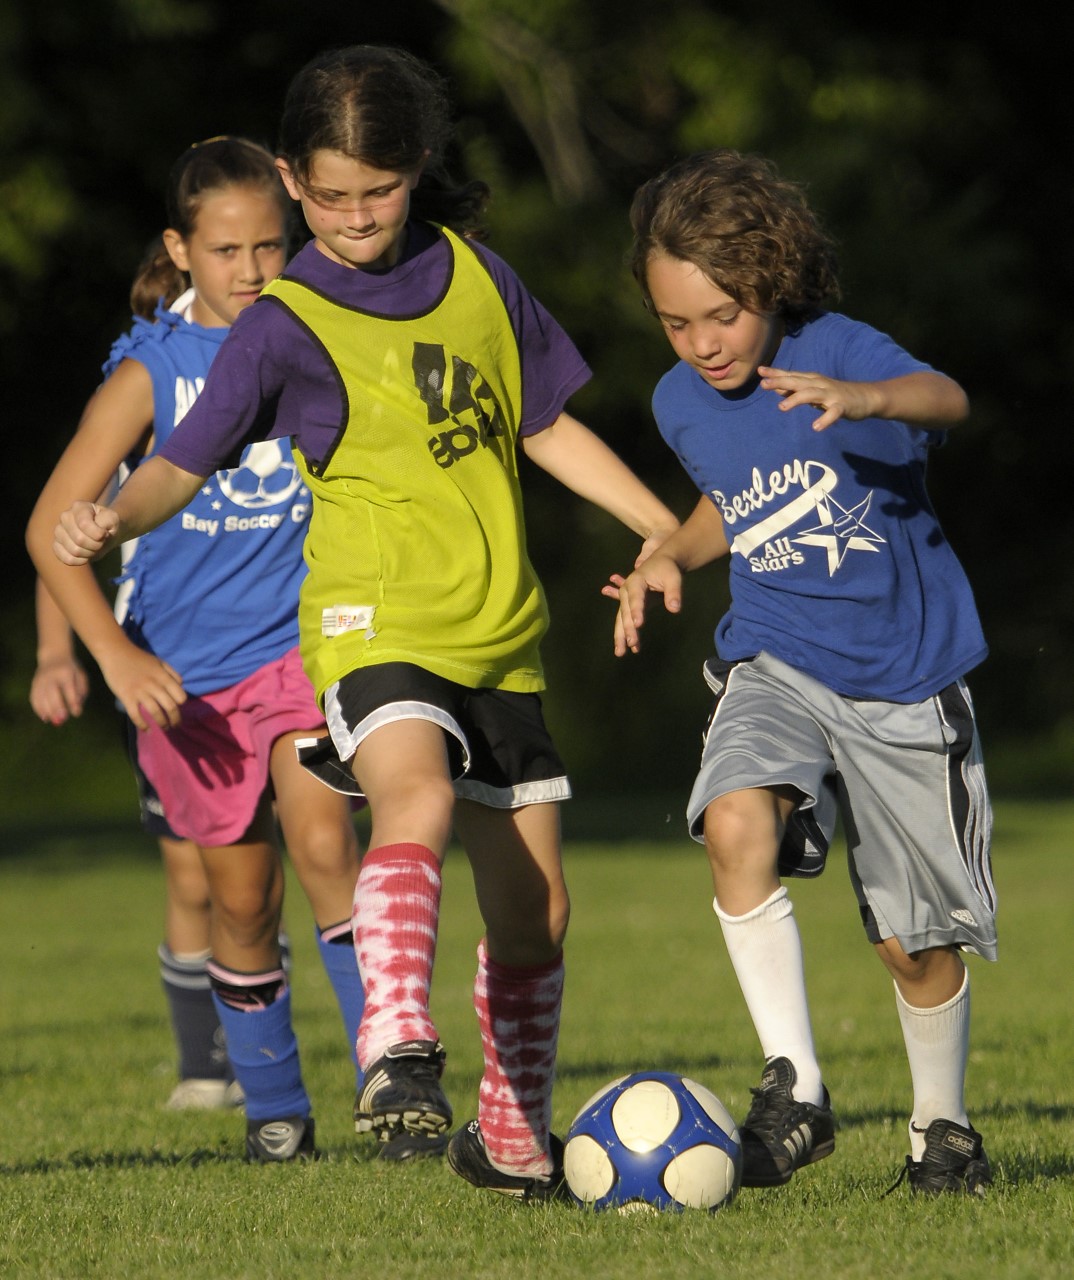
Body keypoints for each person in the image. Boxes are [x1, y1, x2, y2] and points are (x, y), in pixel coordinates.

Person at [50, 45, 680, 1200]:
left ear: (418, 168)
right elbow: (180, 468)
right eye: (329, 194)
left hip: (499, 633)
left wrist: (662, 527)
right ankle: (395, 1044)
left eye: (377, 192)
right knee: (413, 792)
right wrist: (113, 512)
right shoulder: (284, 321)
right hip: (370, 620)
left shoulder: (483, 278)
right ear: (294, 178)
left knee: (537, 916)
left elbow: (545, 426)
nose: (352, 216)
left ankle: (508, 1132)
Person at [610, 148, 996, 1197]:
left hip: (903, 677)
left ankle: (943, 1128)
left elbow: (947, 397)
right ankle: (799, 1087)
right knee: (735, 819)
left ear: (770, 279)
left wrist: (865, 397)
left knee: (913, 945)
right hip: (774, 657)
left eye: (721, 317)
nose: (701, 344)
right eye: (676, 324)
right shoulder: (678, 401)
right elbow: (730, 504)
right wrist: (666, 557)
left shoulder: (837, 349)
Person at [27, 136, 369, 1163]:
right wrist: (107, 657)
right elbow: (52, 522)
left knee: (327, 849)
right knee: (238, 894)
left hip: (302, 651)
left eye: (272, 244)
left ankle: (390, 1078)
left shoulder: (319, 333)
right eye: (227, 250)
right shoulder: (151, 372)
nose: (254, 269)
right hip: (192, 680)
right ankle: (273, 1104)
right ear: (182, 249)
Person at [31, 579, 243, 1110]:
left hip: (265, 661)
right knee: (192, 879)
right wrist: (56, 653)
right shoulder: (114, 488)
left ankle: (258, 1058)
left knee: (250, 871)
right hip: (162, 670)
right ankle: (204, 1068)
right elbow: (58, 538)